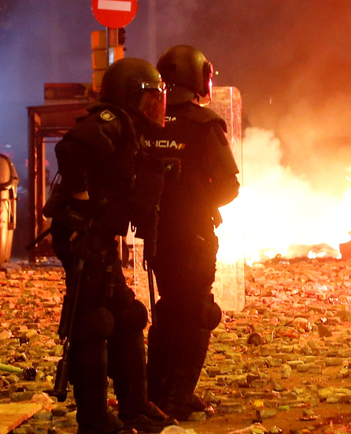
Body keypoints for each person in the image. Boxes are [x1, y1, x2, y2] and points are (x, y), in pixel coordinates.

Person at [45, 58, 176, 434]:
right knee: (93, 321)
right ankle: (94, 418)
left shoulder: (129, 128)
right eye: (149, 100)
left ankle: (134, 406)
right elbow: (69, 151)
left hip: (98, 238)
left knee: (127, 315)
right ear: (128, 96)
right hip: (81, 237)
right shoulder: (109, 120)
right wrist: (88, 203)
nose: (155, 108)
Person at [145, 46, 240, 420]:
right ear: (198, 76)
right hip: (195, 235)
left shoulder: (146, 123)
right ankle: (177, 396)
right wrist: (198, 202)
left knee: (168, 310)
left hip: (155, 235)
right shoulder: (204, 125)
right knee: (198, 312)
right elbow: (230, 187)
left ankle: (153, 393)